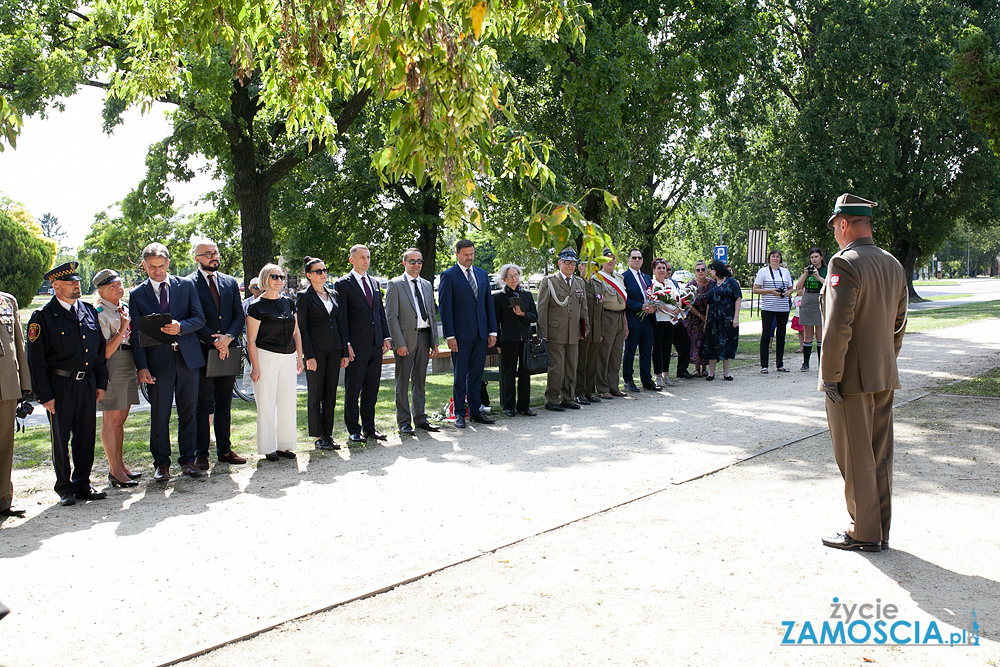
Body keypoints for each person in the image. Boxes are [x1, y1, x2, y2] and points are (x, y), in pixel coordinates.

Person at [819, 194, 907, 553]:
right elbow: (899, 322)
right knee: (880, 456)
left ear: (843, 224)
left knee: (855, 457)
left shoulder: (845, 262)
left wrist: (830, 375)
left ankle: (864, 532)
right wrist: (886, 358)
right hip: (882, 373)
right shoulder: (892, 264)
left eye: (836, 228)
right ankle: (879, 528)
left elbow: (838, 325)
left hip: (849, 379)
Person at [26, 262, 109, 505]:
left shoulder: (88, 311)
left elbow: (99, 351)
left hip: (86, 384)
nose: (76, 284)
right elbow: (36, 361)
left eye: (77, 281)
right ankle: (64, 487)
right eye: (70, 282)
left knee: (85, 436)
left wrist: (100, 382)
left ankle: (83, 484)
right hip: (59, 386)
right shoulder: (42, 317)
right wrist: (44, 396)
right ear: (55, 286)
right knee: (60, 439)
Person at [130, 242, 207, 481]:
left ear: (168, 264)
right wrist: (142, 367)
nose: (157, 271)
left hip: (187, 359)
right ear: (144, 266)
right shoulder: (137, 294)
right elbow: (135, 336)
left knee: (189, 412)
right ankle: (162, 463)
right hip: (157, 363)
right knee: (160, 414)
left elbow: (200, 319)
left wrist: (180, 327)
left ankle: (188, 460)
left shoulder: (186, 286)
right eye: (152, 267)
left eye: (161, 266)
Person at [189, 240, 248, 469]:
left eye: (216, 252)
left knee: (224, 402)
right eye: (208, 254)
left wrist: (228, 338)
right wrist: (214, 340)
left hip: (228, 350)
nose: (214, 256)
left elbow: (238, 315)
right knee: (203, 404)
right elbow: (191, 316)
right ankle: (201, 453)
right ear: (197, 258)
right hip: (203, 351)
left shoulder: (230, 282)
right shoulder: (188, 284)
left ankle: (224, 450)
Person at [438, 239, 498, 427]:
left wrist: (492, 331)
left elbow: (488, 304)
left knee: (476, 376)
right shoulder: (448, 276)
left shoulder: (481, 274)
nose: (469, 257)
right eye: (465, 254)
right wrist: (450, 336)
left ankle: (475, 411)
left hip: (481, 334)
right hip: (460, 337)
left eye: (471, 254)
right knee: (460, 376)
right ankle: (459, 413)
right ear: (457, 254)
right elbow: (445, 309)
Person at [247, 263, 304, 460]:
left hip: (288, 357)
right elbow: (251, 340)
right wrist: (255, 367)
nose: (279, 280)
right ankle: (268, 447)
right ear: (265, 279)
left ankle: (284, 445)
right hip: (266, 357)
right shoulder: (256, 306)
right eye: (274, 277)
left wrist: (300, 357)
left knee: (287, 402)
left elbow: (296, 332)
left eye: (281, 277)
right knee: (266, 402)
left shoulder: (288, 302)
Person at [335, 245, 392, 442]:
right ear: (352, 260)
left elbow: (379, 311)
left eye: (368, 257)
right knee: (353, 390)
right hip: (356, 346)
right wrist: (347, 343)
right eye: (362, 258)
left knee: (371, 389)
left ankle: (369, 427)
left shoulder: (375, 282)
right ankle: (353, 430)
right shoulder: (343, 284)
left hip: (376, 343)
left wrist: (386, 336)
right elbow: (341, 317)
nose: (366, 261)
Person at [92, 269, 140, 488]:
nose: (119, 288)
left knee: (121, 419)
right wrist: (122, 327)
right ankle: (114, 470)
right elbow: (105, 351)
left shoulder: (123, 308)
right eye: (112, 286)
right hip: (113, 364)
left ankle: (121, 466)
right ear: (101, 291)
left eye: (120, 284)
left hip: (128, 360)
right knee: (111, 420)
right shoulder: (99, 312)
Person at [385, 248, 440, 435]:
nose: (416, 265)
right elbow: (391, 317)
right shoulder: (395, 284)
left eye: (419, 261)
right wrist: (399, 343)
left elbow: (431, 313)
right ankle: (404, 422)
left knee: (420, 380)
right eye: (412, 261)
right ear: (404, 263)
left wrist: (435, 341)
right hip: (405, 340)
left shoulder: (426, 284)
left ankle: (420, 419)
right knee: (402, 382)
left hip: (424, 337)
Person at [297, 256, 350, 449]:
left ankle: (328, 434)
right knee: (315, 394)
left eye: (325, 270)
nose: (323, 274)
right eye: (318, 271)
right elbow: (302, 328)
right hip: (316, 352)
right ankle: (318, 435)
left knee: (330, 394)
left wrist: (344, 351)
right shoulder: (304, 296)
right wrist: (308, 355)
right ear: (309, 275)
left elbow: (340, 324)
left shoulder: (333, 294)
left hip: (335, 349)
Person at [537, 248, 589, 411]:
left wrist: (584, 328)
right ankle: (552, 400)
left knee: (571, 366)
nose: (570, 266)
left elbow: (584, 308)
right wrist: (543, 332)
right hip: (555, 331)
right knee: (557, 367)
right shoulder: (550, 281)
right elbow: (542, 308)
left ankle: (568, 398)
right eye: (566, 262)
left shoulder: (579, 282)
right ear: (559, 263)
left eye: (573, 263)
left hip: (573, 331)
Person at [493, 263, 538, 417]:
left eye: (516, 275)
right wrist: (498, 343)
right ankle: (509, 406)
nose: (513, 279)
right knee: (509, 373)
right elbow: (496, 321)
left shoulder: (526, 294)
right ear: (504, 279)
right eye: (510, 276)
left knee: (525, 372)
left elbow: (534, 316)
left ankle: (524, 406)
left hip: (525, 339)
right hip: (508, 340)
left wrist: (523, 315)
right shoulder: (499, 297)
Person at [0, 289, 31, 516]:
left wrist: (25, 383)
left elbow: (18, 342)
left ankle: (3, 499)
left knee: (4, 444)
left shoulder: (6, 300)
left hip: (6, 383)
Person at [622, 248, 658, 391]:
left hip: (648, 320)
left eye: (639, 258)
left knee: (646, 351)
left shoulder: (647, 277)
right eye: (634, 258)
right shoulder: (624, 277)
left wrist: (654, 306)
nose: (637, 260)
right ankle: (628, 380)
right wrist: (640, 306)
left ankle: (646, 379)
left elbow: (654, 297)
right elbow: (624, 300)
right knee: (630, 351)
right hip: (633, 320)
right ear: (629, 260)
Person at [752, 250, 794, 373]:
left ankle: (780, 364)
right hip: (768, 307)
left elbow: (791, 288)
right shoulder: (763, 272)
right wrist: (770, 291)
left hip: (783, 308)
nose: (775, 259)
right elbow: (756, 289)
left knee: (781, 335)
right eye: (773, 256)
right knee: (766, 335)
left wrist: (787, 293)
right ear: (769, 259)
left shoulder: (785, 272)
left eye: (777, 257)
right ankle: (764, 365)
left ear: (780, 259)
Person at [594, 250, 628, 399]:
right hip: (606, 316)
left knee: (616, 354)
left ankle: (614, 386)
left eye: (613, 258)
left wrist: (625, 323)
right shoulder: (597, 278)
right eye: (607, 258)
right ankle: (602, 387)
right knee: (604, 354)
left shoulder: (619, 278)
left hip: (620, 316)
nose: (610, 261)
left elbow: (623, 300)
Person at [700, 260, 741, 381]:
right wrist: (706, 320)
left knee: (727, 344)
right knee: (711, 344)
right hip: (713, 319)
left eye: (711, 269)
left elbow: (737, 298)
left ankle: (726, 373)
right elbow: (709, 303)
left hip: (727, 318)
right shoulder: (713, 284)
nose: (710, 272)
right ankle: (711, 373)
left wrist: (736, 317)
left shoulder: (731, 282)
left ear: (717, 269)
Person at [649, 258, 686, 389]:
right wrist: (669, 310)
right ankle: (658, 375)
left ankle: (665, 374)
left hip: (671, 321)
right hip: (659, 320)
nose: (662, 271)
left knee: (667, 348)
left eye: (664, 268)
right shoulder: (652, 284)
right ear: (654, 270)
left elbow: (678, 298)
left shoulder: (670, 282)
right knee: (658, 347)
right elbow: (655, 302)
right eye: (659, 268)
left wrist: (676, 310)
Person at [575, 260, 603, 404]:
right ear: (579, 267)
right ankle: (579, 392)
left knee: (592, 362)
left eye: (592, 265)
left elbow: (600, 311)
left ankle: (588, 391)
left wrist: (600, 331)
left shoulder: (597, 284)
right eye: (585, 265)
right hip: (583, 328)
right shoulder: (577, 283)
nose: (588, 268)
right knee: (581, 362)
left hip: (595, 329)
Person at [794, 247, 827, 372]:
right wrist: (805, 274)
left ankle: (821, 363)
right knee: (808, 334)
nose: (814, 259)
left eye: (816, 257)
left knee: (820, 334)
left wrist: (817, 276)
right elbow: (799, 286)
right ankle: (805, 363)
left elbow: (828, 284)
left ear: (821, 258)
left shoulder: (826, 269)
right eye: (812, 257)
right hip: (807, 298)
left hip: (820, 298)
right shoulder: (808, 270)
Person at [684, 260, 712, 377]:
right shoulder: (691, 285)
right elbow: (686, 303)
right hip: (694, 317)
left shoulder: (712, 283)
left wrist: (706, 318)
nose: (701, 272)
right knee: (695, 341)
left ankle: (705, 368)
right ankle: (696, 368)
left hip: (709, 315)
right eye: (698, 270)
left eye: (703, 269)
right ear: (695, 272)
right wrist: (700, 316)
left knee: (706, 341)